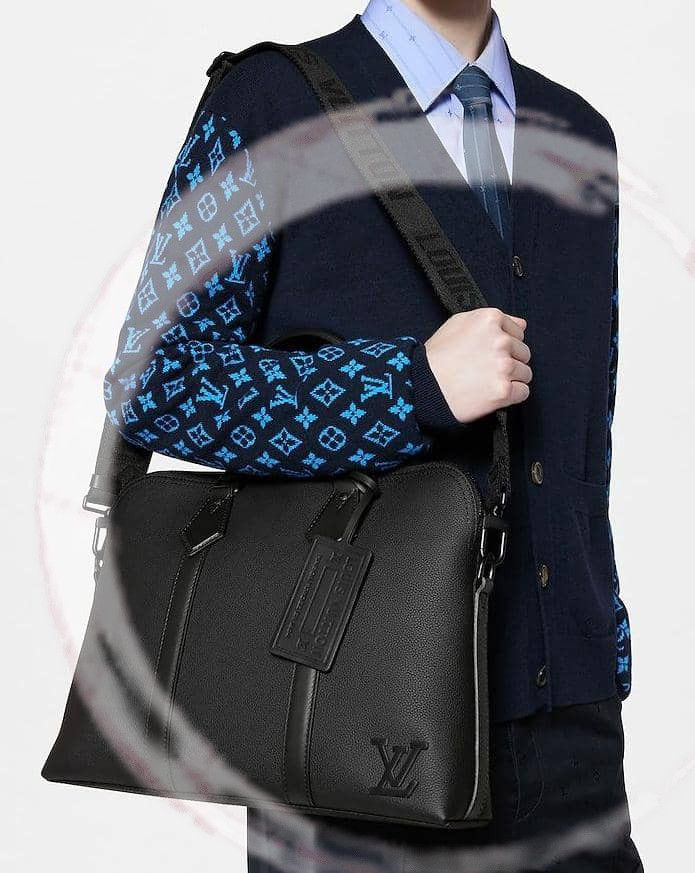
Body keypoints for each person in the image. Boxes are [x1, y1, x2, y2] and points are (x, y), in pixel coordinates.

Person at [103, 1, 641, 870]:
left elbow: (585, 436)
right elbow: (156, 382)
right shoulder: (269, 103)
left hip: (566, 732)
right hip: (347, 724)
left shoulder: (579, 133)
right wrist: (406, 385)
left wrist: (599, 643)